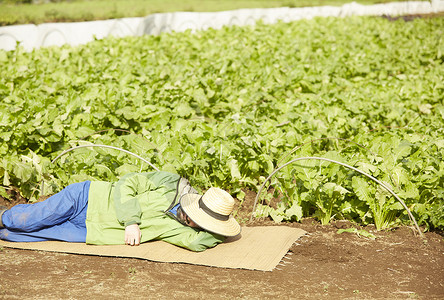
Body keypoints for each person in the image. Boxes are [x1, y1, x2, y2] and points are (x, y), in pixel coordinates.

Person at [0, 171, 241, 252]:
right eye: (195, 215)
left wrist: (219, 228)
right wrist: (131, 221)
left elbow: (196, 244)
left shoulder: (180, 230)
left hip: (91, 230)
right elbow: (127, 182)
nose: (191, 222)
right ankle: (3, 215)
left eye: (199, 224)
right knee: (24, 221)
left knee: (17, 236)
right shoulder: (171, 183)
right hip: (86, 198)